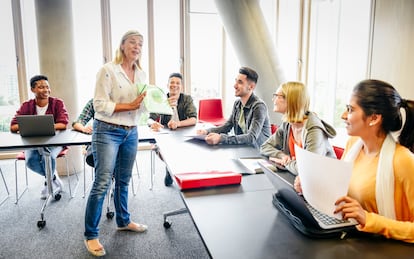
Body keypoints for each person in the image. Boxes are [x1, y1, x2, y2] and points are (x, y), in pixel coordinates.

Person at [295, 79, 414, 243]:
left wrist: (368, 219)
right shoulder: (353, 146)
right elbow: (341, 192)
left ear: (373, 118)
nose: (343, 115)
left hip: (384, 247)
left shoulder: (403, 161)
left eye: (350, 110)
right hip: (352, 238)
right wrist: (310, 186)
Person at [84, 30, 148, 257]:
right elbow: (99, 104)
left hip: (131, 131)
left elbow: (142, 106)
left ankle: (123, 220)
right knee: (102, 183)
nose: (137, 46)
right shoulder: (108, 70)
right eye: (133, 42)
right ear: (122, 45)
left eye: (140, 43)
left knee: (123, 180)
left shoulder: (141, 74)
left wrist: (159, 106)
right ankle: (91, 235)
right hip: (107, 131)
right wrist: (130, 106)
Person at [10, 74, 69, 199]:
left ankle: (49, 184)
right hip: (32, 142)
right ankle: (52, 178)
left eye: (47, 87)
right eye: (41, 87)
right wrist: (33, 127)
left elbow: (63, 124)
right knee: (31, 161)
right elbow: (13, 126)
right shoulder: (27, 106)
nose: (46, 90)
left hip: (54, 141)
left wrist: (44, 127)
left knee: (48, 156)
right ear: (33, 89)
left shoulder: (57, 103)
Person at [260, 81, 336, 175]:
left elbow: (309, 170)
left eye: (276, 95)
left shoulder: (314, 130)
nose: (273, 99)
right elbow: (265, 147)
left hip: (323, 183)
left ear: (290, 100)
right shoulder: (287, 125)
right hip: (300, 180)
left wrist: (286, 163)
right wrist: (282, 156)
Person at [196, 67, 271, 149]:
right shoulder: (237, 104)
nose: (235, 86)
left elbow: (251, 137)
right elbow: (227, 126)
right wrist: (206, 131)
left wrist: (221, 138)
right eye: (236, 81)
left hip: (258, 152)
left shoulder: (259, 106)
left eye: (240, 82)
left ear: (251, 87)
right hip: (244, 149)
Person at [147, 72, 197, 186]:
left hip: (183, 133)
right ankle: (170, 167)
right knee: (160, 149)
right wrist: (153, 123)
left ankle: (173, 168)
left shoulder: (187, 99)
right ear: (167, 85)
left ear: (182, 86)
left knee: (189, 150)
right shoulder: (161, 99)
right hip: (166, 135)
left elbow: (194, 119)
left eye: (178, 83)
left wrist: (178, 124)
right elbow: (149, 119)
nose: (174, 85)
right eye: (172, 82)